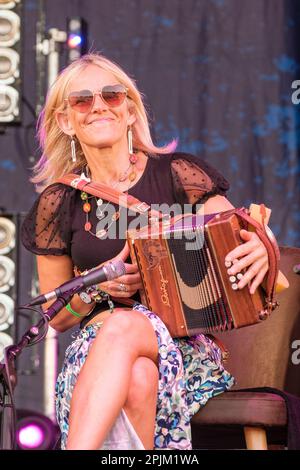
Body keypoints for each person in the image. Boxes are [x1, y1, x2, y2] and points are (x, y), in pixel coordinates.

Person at [21, 53, 270, 450]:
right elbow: (56, 317)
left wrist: (260, 243)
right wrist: (101, 287)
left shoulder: (178, 174)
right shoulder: (58, 202)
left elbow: (238, 234)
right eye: (82, 100)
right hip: (97, 351)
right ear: (66, 121)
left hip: (184, 349)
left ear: (131, 111)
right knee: (137, 377)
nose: (99, 105)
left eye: (112, 95)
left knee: (125, 324)